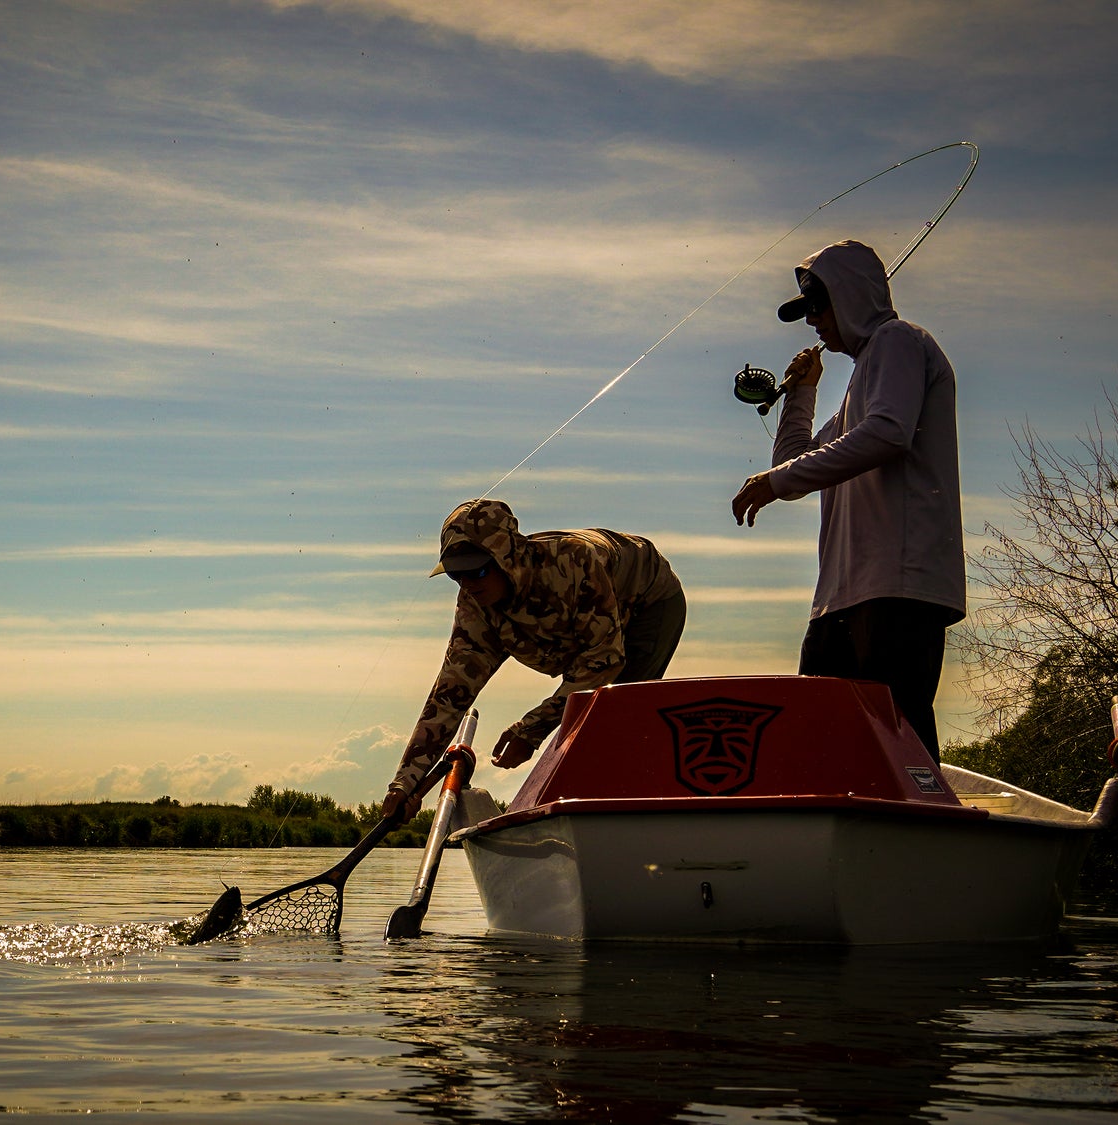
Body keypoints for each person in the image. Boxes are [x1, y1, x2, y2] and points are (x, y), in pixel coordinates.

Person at [730, 239, 963, 759]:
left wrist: (776, 483)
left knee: (898, 744)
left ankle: (922, 812)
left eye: (818, 305)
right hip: (840, 596)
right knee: (823, 744)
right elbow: (793, 465)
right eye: (806, 310)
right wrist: (801, 392)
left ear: (853, 296)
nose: (812, 320)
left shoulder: (898, 340)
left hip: (897, 587)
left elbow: (888, 433)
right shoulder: (858, 389)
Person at [380, 498, 686, 819]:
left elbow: (603, 662)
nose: (468, 585)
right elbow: (448, 698)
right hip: (576, 633)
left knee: (614, 708)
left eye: (477, 571)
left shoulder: (574, 563)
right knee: (586, 712)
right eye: (456, 575)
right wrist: (405, 784)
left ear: (507, 558)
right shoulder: (475, 608)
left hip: (646, 600)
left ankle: (633, 806)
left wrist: (530, 730)